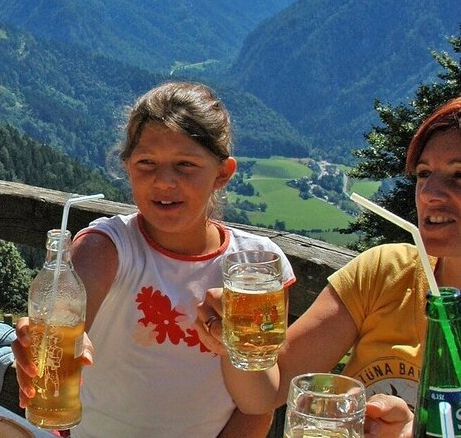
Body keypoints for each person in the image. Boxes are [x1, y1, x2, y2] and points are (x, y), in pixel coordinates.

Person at [11, 81, 296, 437]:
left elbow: (257, 405)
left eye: (185, 165)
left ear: (222, 173)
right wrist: (55, 339)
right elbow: (67, 313)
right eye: (147, 163)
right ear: (128, 167)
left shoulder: (258, 270)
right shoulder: (108, 245)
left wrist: (234, 343)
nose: (164, 181)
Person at [194, 97, 461, 438]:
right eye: (424, 173)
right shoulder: (385, 272)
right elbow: (264, 393)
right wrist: (239, 342)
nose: (431, 193)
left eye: (458, 174)